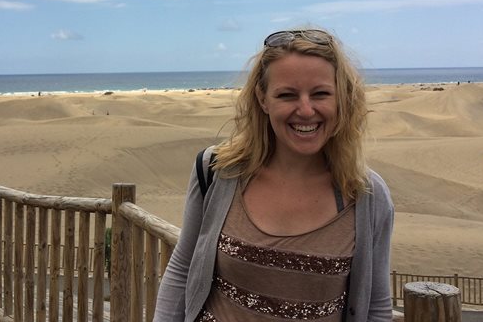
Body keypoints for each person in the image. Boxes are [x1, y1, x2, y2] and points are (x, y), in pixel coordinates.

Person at [154, 28, 394, 322]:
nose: (305, 110)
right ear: (263, 99)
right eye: (287, 95)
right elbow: (182, 269)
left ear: (342, 98)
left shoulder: (366, 195)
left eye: (320, 94)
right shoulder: (217, 171)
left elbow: (376, 307)